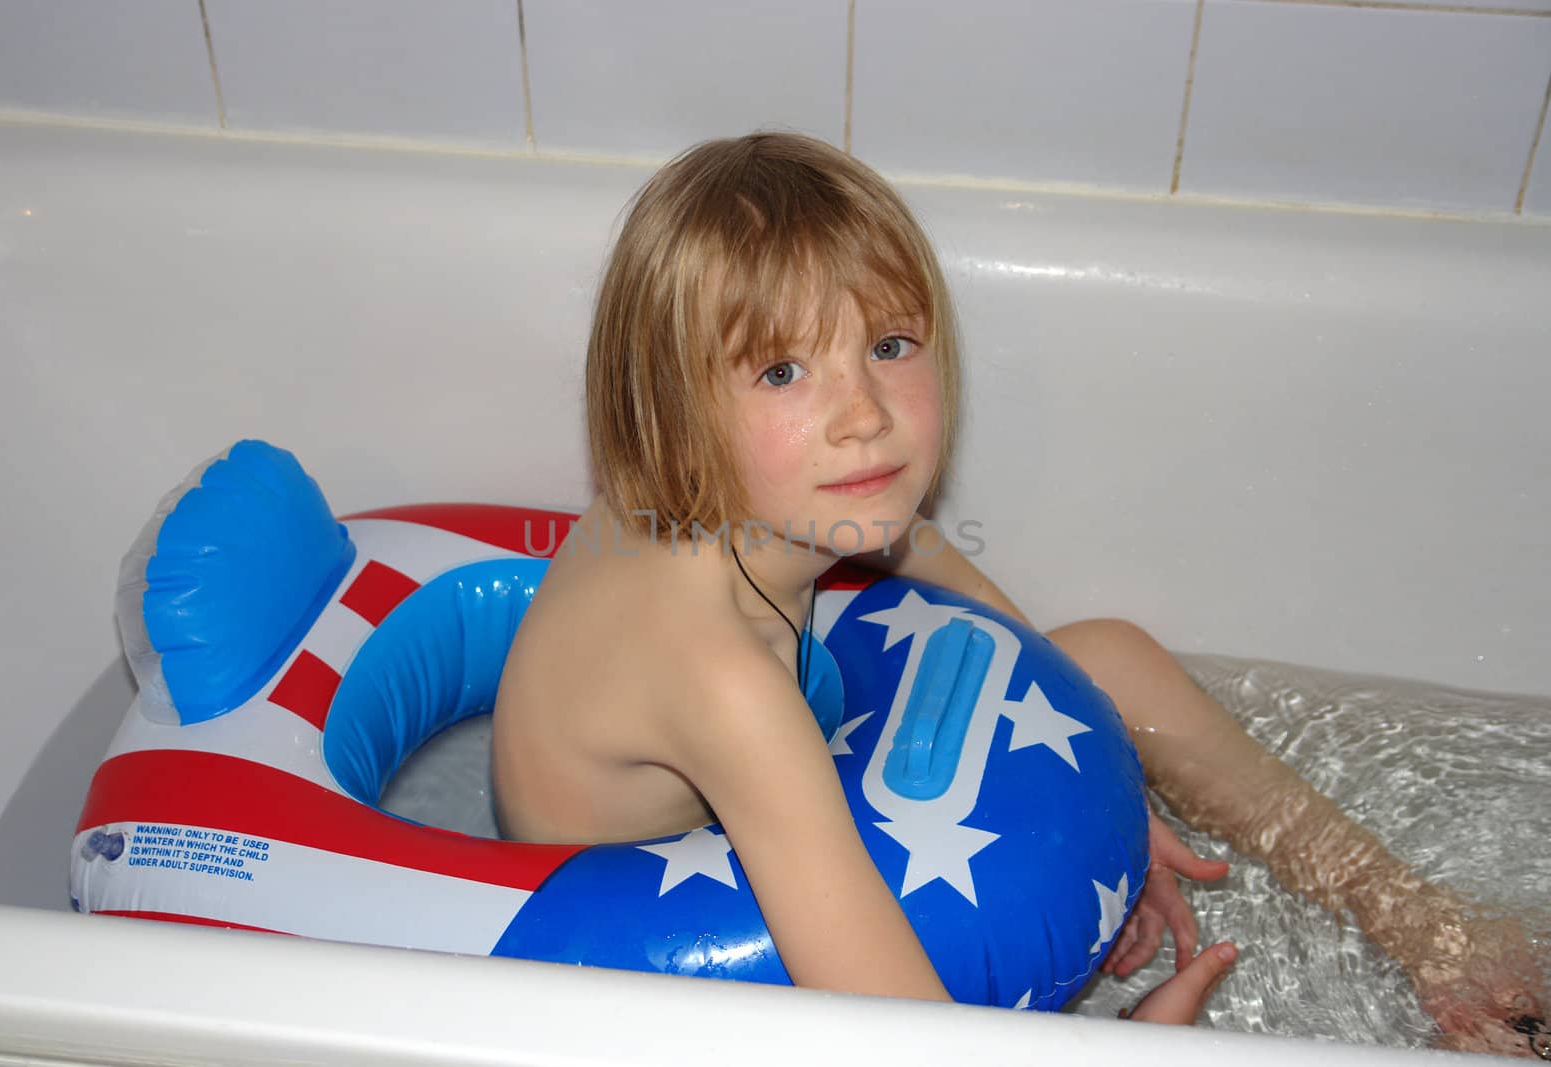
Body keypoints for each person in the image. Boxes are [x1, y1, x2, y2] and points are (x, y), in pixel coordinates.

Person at [491, 132, 1545, 1048]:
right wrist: (1120, 1053)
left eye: (890, 345)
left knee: (1109, 655)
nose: (863, 413)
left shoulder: (762, 501)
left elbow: (972, 599)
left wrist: (1101, 771)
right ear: (671, 414)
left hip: (754, 792)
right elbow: (891, 1035)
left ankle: (1422, 921)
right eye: (781, 372)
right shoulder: (718, 679)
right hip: (643, 944)